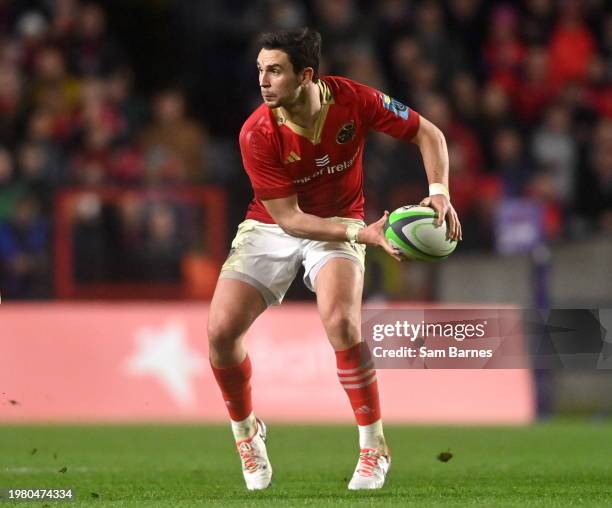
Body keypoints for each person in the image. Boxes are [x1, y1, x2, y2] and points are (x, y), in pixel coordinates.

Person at [207, 27, 461, 491]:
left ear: (306, 75)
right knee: (220, 334)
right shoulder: (257, 133)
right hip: (274, 224)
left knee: (342, 324)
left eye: (275, 71)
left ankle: (374, 446)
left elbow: (429, 134)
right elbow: (289, 219)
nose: (263, 81)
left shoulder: (354, 100)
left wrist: (439, 193)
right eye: (260, 70)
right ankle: (247, 433)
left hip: (341, 220)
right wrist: (362, 234)